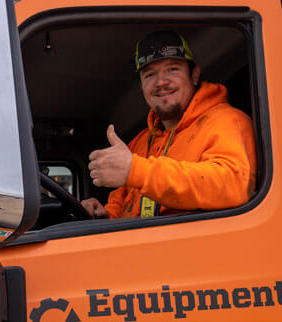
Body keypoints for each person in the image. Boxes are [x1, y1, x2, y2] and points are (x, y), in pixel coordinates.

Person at [80, 30, 256, 219]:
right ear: (141, 86)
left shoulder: (225, 121)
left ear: (194, 75)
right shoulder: (139, 143)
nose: (161, 82)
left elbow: (234, 185)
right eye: (149, 75)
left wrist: (138, 171)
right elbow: (122, 207)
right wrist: (104, 216)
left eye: (172, 69)